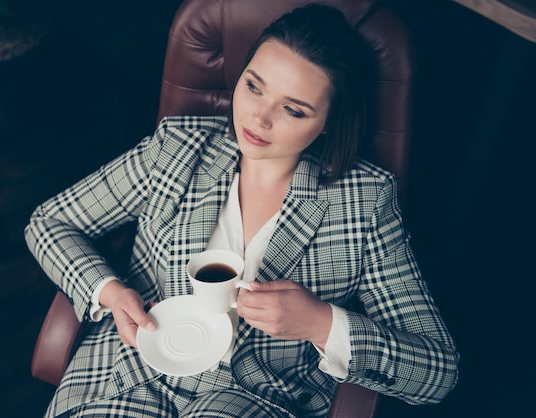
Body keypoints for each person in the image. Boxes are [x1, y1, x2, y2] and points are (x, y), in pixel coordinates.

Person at [25, 4, 459, 417]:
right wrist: (109, 292)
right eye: (253, 86)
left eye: (293, 109)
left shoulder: (363, 201)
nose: (259, 117)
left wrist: (320, 323)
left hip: (254, 394)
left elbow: (437, 371)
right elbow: (49, 223)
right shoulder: (177, 147)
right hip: (131, 368)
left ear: (329, 121)